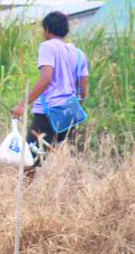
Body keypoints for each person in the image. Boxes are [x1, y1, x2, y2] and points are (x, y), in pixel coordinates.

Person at [11, 11, 83, 175]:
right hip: (70, 113)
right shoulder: (76, 53)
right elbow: (82, 89)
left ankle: (26, 197)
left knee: (29, 160)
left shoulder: (47, 46)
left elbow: (46, 78)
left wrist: (23, 104)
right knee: (67, 160)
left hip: (48, 112)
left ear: (47, 30)